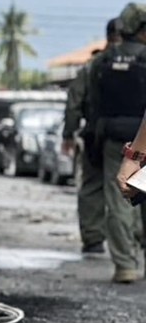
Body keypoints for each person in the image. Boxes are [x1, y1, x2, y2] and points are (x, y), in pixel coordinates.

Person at [93, 3, 146, 283]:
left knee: (120, 201)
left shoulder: (103, 60)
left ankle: (126, 265)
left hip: (116, 140)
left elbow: (93, 104)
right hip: (141, 137)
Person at [62, 18, 122, 255]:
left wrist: (69, 132)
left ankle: (93, 238)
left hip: (96, 134)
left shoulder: (93, 66)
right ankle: (132, 239)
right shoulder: (139, 62)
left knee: (92, 187)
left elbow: (74, 102)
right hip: (133, 135)